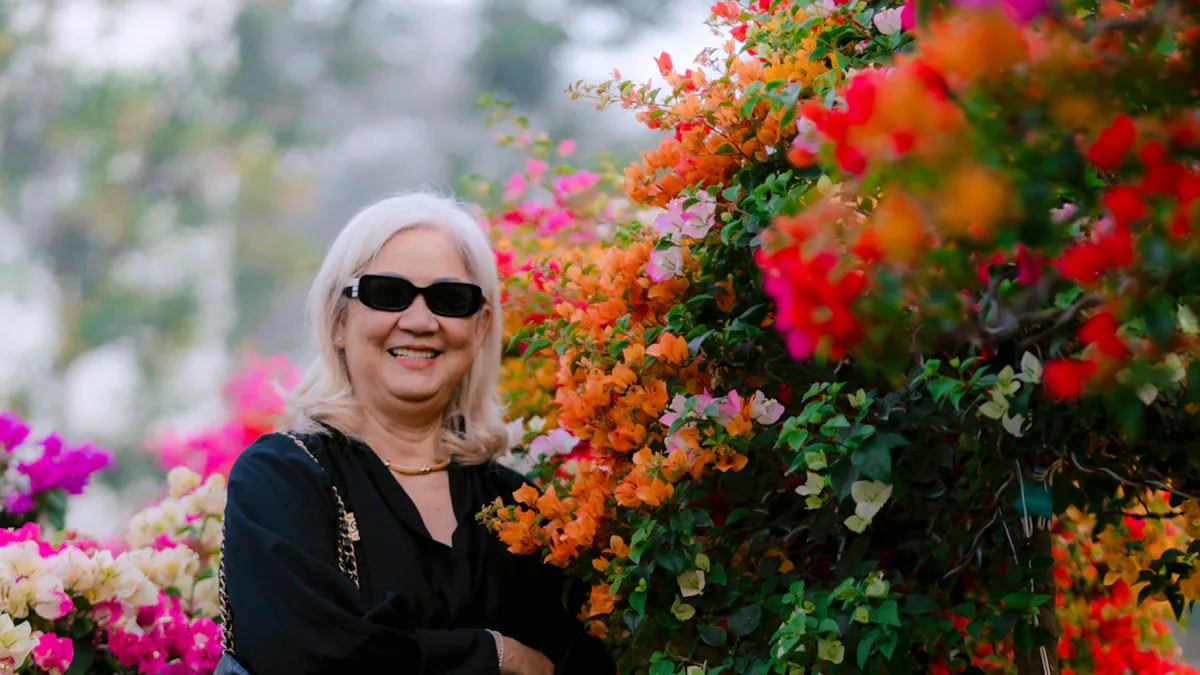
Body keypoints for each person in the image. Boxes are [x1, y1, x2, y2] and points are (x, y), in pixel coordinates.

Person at [218, 192, 615, 675]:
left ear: (480, 327)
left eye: (450, 300)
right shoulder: (284, 479)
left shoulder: (518, 505)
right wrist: (494, 654)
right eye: (388, 293)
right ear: (338, 319)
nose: (421, 322)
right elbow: (310, 656)